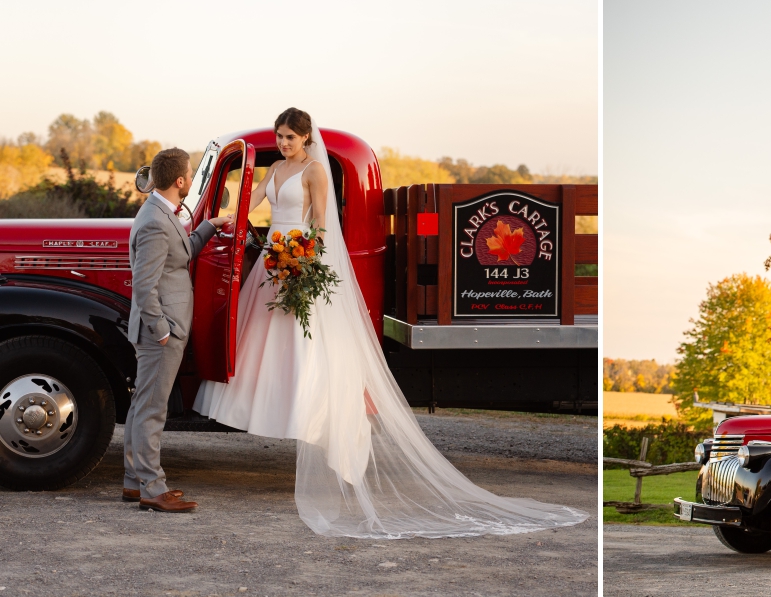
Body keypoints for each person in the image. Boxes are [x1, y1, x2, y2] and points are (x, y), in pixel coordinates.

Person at [194, 108, 586, 538]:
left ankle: (334, 433)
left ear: (306, 138)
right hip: (272, 260)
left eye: (290, 137)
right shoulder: (276, 170)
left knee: (311, 351)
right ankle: (278, 413)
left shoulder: (314, 171)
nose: (284, 144)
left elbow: (324, 226)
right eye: (281, 137)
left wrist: (303, 264)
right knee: (267, 348)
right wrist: (221, 219)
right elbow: (251, 204)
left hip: (297, 259)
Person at [124, 148, 230, 513]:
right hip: (161, 331)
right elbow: (143, 285)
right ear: (180, 181)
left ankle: (133, 482)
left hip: (162, 328)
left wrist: (209, 226)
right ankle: (153, 488)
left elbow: (180, 255)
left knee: (143, 405)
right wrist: (162, 330)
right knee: (153, 410)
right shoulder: (155, 220)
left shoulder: (159, 213)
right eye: (189, 174)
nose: (191, 179)